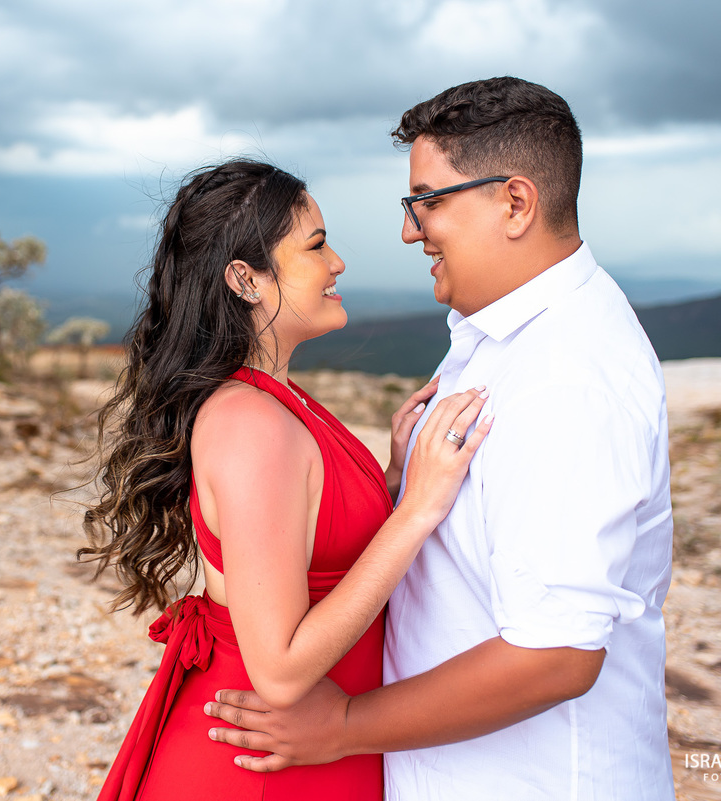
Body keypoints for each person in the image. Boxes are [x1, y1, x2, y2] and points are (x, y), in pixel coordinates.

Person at [205, 78, 677, 801]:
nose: (409, 230)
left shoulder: (567, 378)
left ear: (515, 203)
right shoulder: (500, 335)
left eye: (428, 201)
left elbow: (555, 655)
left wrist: (346, 725)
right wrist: (397, 492)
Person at [81, 159, 494, 800]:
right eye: (316, 246)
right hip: (261, 766)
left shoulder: (275, 399)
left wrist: (390, 479)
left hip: (298, 749)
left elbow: (312, 539)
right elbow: (279, 670)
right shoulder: (251, 422)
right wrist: (417, 509)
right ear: (246, 279)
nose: (337, 263)